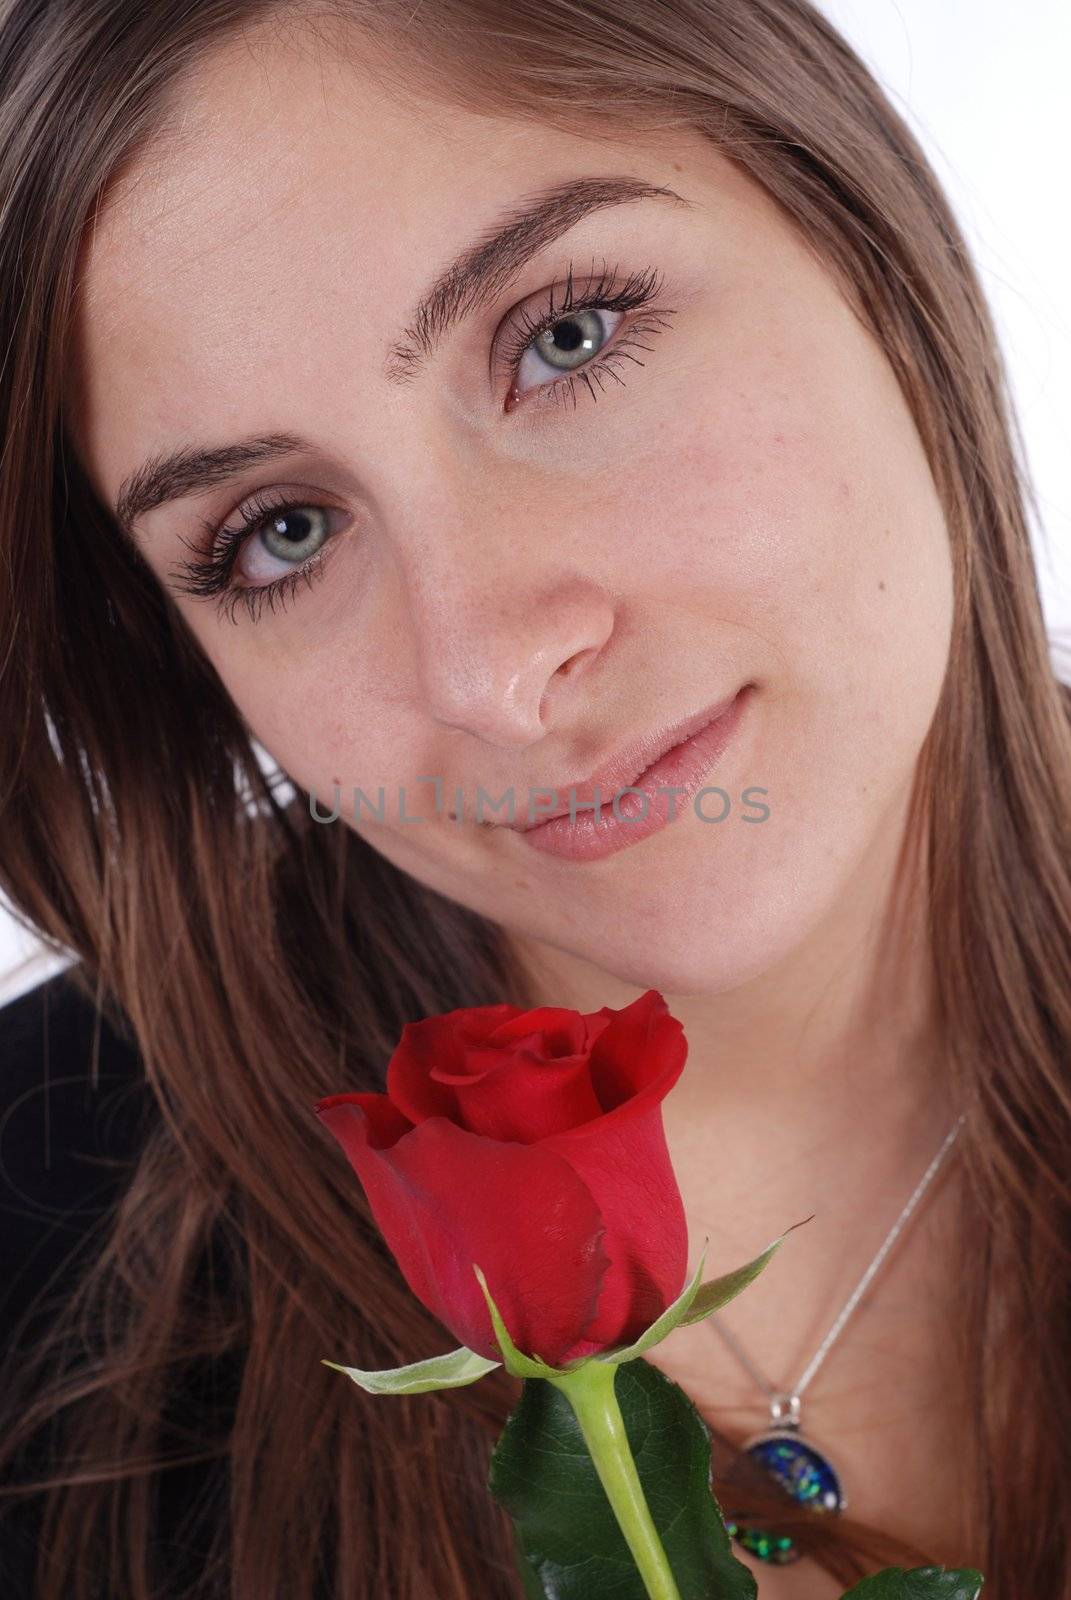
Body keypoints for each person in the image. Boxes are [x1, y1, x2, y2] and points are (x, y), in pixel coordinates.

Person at [1, 1, 1069, 1596]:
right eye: (281, 531)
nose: (491, 673)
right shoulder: (35, 1251)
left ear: (861, 234)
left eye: (565, 339)